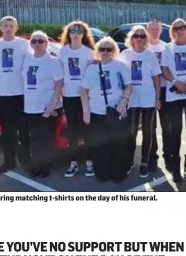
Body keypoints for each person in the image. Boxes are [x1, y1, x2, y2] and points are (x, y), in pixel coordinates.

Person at [80, 37, 132, 183]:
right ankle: (102, 173)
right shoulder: (91, 69)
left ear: (114, 51)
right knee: (100, 145)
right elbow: (83, 90)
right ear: (97, 51)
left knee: (118, 145)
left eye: (109, 49)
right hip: (96, 113)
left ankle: (118, 173)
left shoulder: (120, 66)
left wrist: (124, 100)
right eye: (102, 49)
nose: (105, 52)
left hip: (116, 112)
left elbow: (128, 86)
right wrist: (86, 110)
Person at [161, 18, 186, 182]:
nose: (180, 30)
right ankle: (176, 169)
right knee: (174, 132)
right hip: (173, 95)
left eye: (183, 27)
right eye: (176, 28)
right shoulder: (167, 48)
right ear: (173, 31)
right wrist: (176, 83)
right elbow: (164, 68)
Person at [120, 25, 161, 178]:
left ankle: (144, 162)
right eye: (136, 36)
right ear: (131, 38)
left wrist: (158, 98)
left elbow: (156, 77)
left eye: (142, 36)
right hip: (131, 99)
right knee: (130, 132)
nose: (139, 38)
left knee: (148, 132)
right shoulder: (125, 54)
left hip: (148, 99)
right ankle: (130, 161)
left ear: (146, 39)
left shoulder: (150, 55)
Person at [0, 15, 31, 174]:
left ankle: (26, 162)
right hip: (4, 95)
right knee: (7, 131)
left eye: (11, 25)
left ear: (16, 28)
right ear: (0, 28)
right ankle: (9, 162)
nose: (8, 28)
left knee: (23, 131)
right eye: (5, 25)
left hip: (21, 94)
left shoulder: (24, 44)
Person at [21, 31, 63, 178]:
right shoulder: (26, 59)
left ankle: (45, 167)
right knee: (35, 137)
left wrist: (53, 104)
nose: (37, 44)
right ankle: (36, 165)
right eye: (34, 41)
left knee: (46, 138)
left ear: (46, 44)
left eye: (41, 41)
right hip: (30, 106)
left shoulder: (53, 61)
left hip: (47, 106)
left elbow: (59, 84)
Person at [58, 20, 96, 178]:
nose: (75, 33)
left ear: (83, 34)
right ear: (69, 33)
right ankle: (73, 163)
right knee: (72, 131)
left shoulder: (89, 52)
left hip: (85, 97)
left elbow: (93, 75)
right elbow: (59, 77)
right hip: (69, 97)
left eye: (79, 31)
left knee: (87, 130)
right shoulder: (63, 51)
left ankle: (89, 163)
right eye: (72, 31)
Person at [146, 19, 171, 172]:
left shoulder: (166, 47)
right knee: (150, 127)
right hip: (148, 91)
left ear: (161, 31)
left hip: (163, 90)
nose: (154, 32)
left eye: (157, 29)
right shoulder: (142, 46)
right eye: (152, 29)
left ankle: (168, 157)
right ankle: (152, 158)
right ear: (147, 30)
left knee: (166, 126)